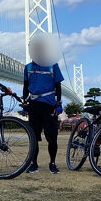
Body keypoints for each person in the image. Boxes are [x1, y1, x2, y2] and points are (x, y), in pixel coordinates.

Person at [22, 37, 64, 174]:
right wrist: (25, 103)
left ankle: (52, 163)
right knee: (33, 137)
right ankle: (34, 164)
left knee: (52, 137)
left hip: (49, 105)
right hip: (34, 105)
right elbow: (25, 86)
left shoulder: (53, 65)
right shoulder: (28, 67)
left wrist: (58, 102)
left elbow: (58, 86)